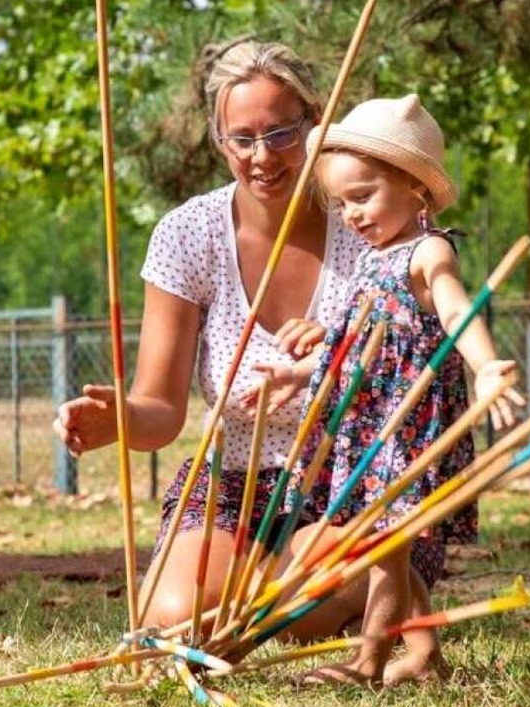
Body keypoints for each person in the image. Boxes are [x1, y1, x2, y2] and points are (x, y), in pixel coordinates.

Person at [52, 40, 369, 637]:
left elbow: (415, 364)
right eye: (241, 139)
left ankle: (352, 589)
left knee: (278, 608)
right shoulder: (188, 234)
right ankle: (313, 592)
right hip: (233, 481)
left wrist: (333, 355)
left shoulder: (365, 220)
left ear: (314, 120)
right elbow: (160, 411)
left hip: (349, 480)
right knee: (177, 619)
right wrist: (120, 420)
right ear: (219, 139)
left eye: (280, 134)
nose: (261, 156)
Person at [250, 94, 525, 686]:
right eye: (341, 203)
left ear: (415, 187)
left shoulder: (429, 251)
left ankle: (368, 661)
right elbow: (360, 347)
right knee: (383, 544)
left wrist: (484, 365)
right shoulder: (371, 259)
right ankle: (424, 654)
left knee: (382, 546)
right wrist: (302, 373)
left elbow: (456, 309)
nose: (350, 215)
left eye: (362, 196)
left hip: (406, 427)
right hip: (365, 426)